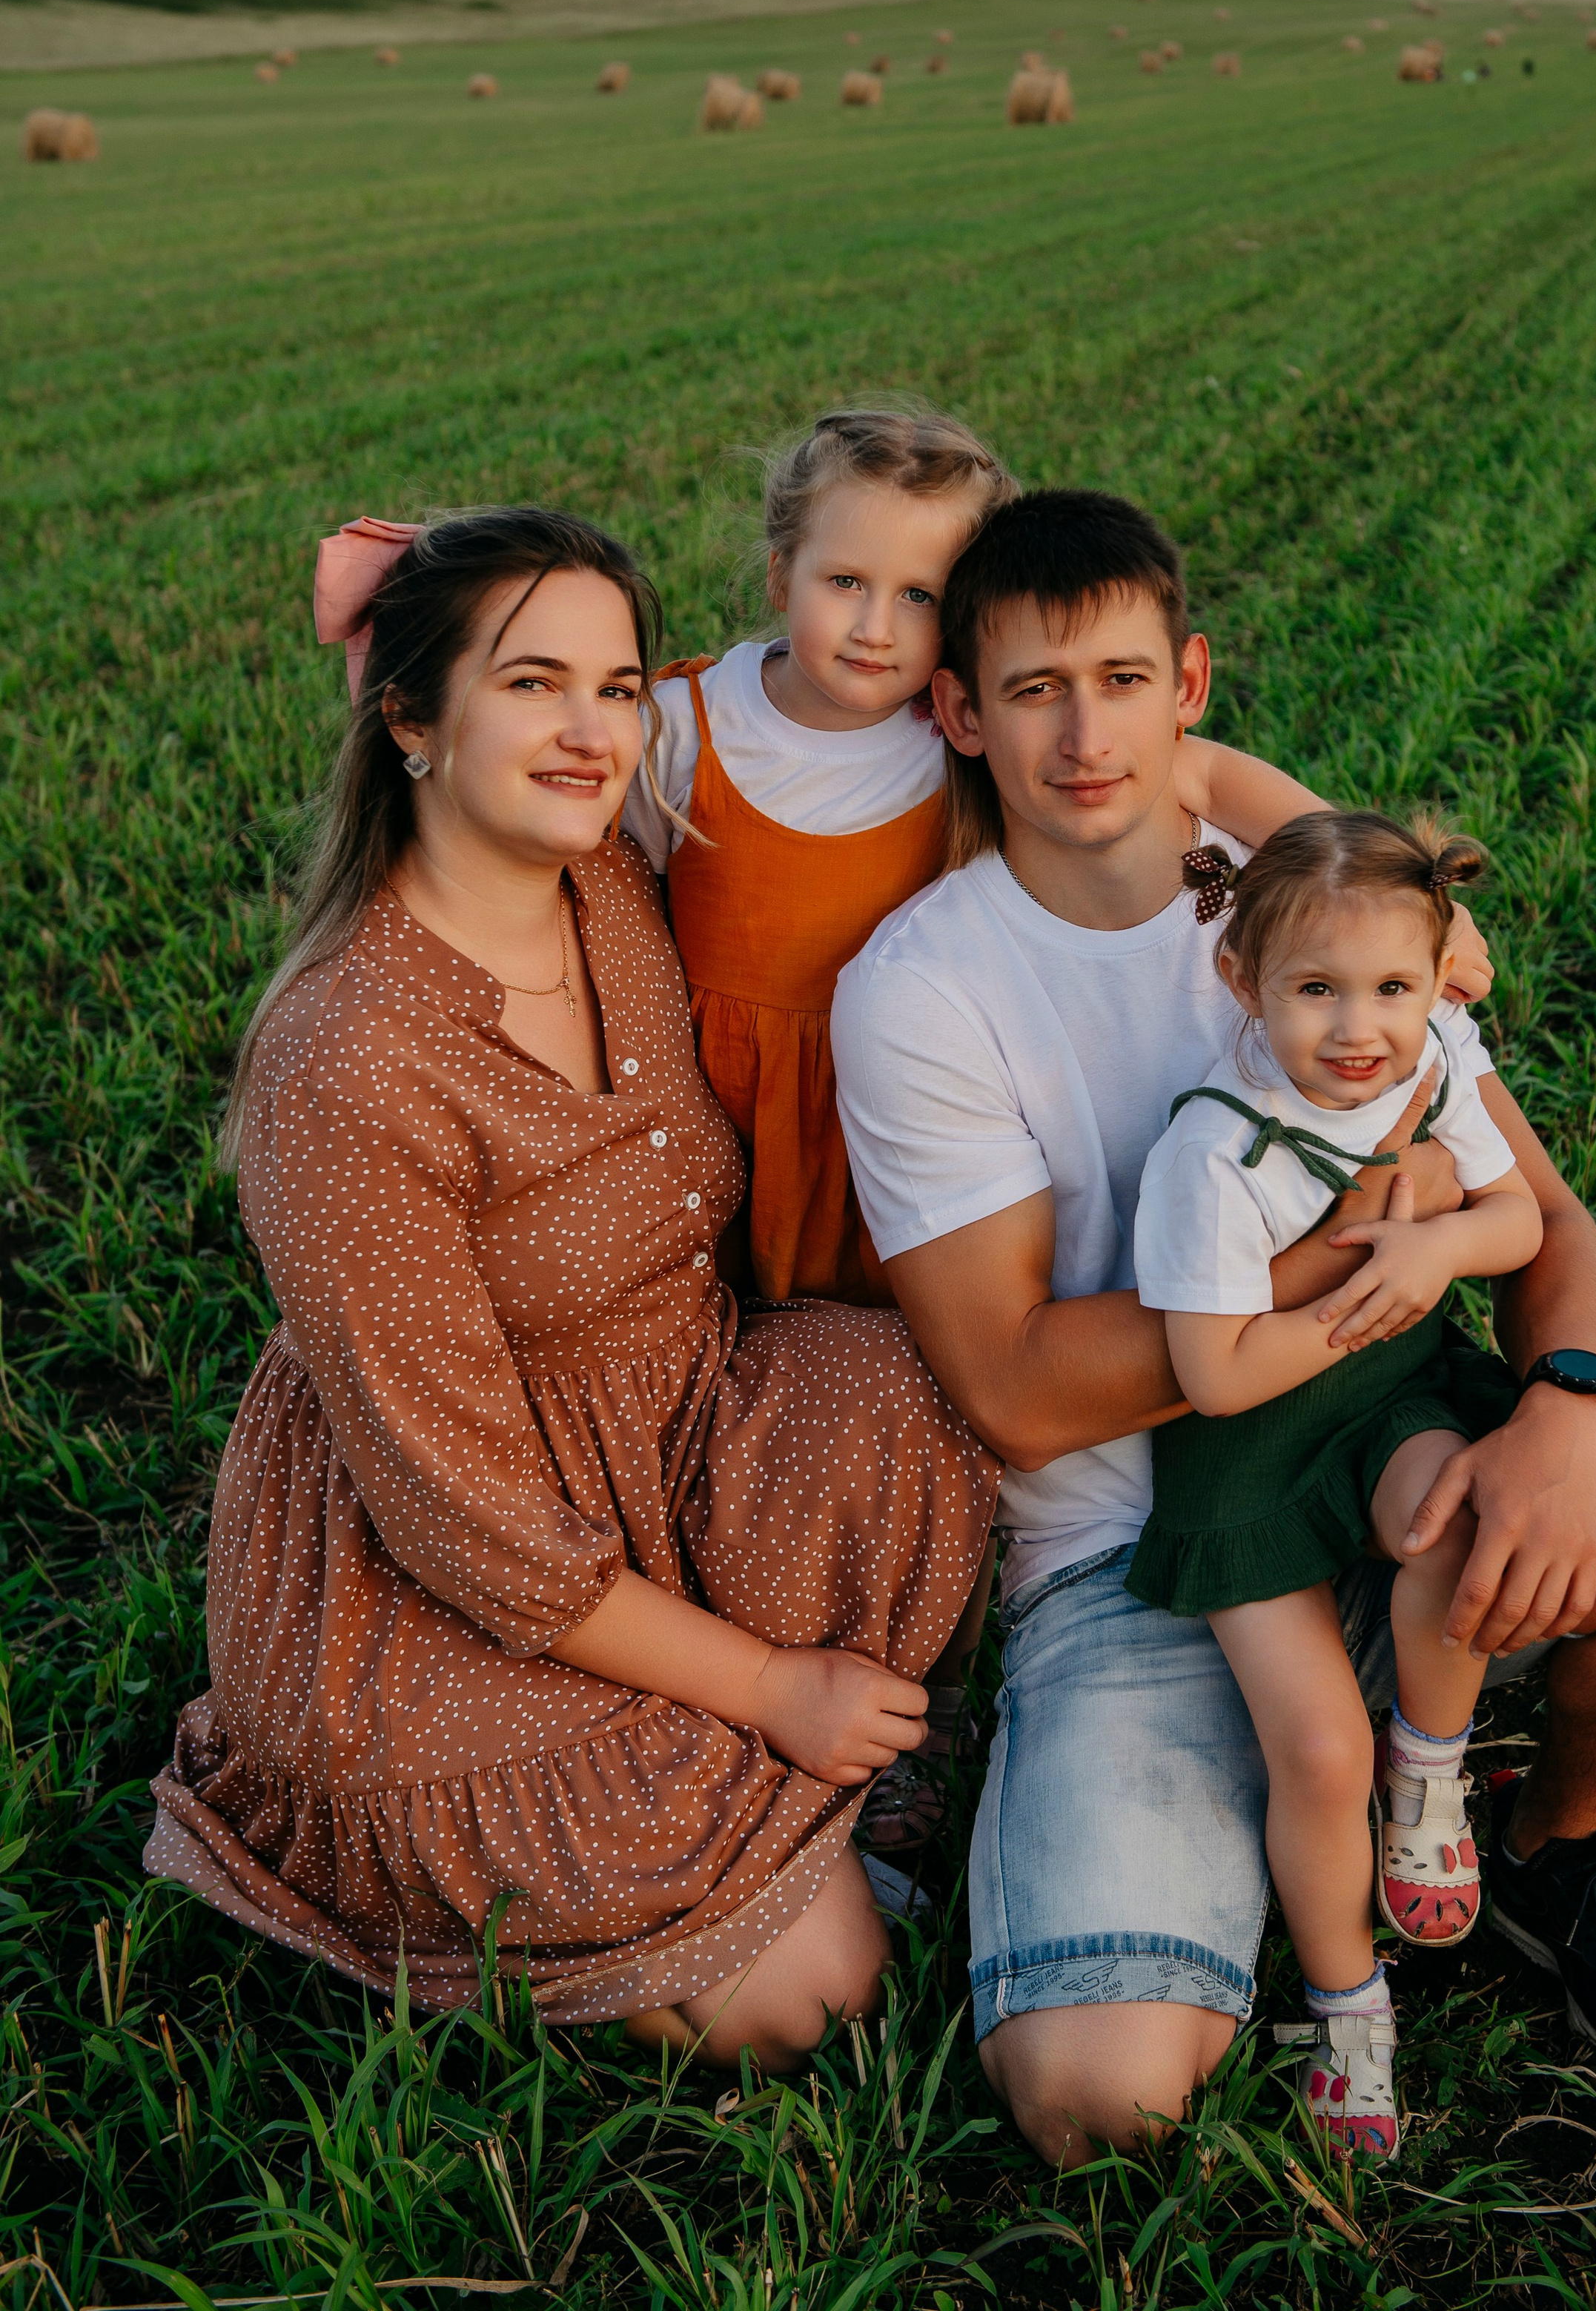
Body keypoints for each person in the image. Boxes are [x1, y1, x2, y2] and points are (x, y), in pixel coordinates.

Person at [831, 486, 1596, 2166]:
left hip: (1403, 1454)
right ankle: (1244, 1842)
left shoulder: (1318, 915)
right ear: (959, 716)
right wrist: (1339, 1249)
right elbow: (1014, 1391)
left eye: (1120, 679)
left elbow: (1539, 1221)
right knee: (1091, 2096)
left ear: (1188, 682)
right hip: (1144, 1552)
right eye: (1032, 691)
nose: (1082, 732)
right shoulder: (926, 986)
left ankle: (1537, 1856)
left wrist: (1562, 1406)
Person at [145, 505, 996, 2068]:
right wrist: (774, 1682)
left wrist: (1319, 873)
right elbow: (464, 1524)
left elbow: (851, 752)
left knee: (910, 1382)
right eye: (535, 682)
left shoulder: (607, 881)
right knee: (822, 2002)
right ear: (405, 715)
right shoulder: (350, 1064)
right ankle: (745, 1794)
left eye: (616, 687)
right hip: (436, 1580)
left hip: (667, 1427)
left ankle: (759, 1799)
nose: (595, 730)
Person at [624, 398, 1414, 1844]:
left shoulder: (964, 742)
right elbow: (553, 791)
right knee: (752, 1402)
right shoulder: (683, 724)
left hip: (911, 1145)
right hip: (742, 1131)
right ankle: (744, 1647)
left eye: (920, 598)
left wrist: (1388, 879)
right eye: (841, 581)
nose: (873, 624)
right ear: (775, 568)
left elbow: (1206, 772)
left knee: (924, 1412)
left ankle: (924, 1673)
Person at [1127, 812, 1546, 2160]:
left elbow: (1520, 1217)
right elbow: (1215, 1375)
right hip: (1243, 1453)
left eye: (1394, 989)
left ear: (1436, 982)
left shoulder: (1436, 1064)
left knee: (1447, 1513)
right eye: (1316, 990)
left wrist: (1441, 1253)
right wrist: (1379, 1278)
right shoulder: (1216, 1151)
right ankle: (1343, 1997)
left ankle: (1432, 1768)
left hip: (1388, 1405)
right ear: (1242, 982)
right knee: (1317, 1751)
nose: (1361, 1028)